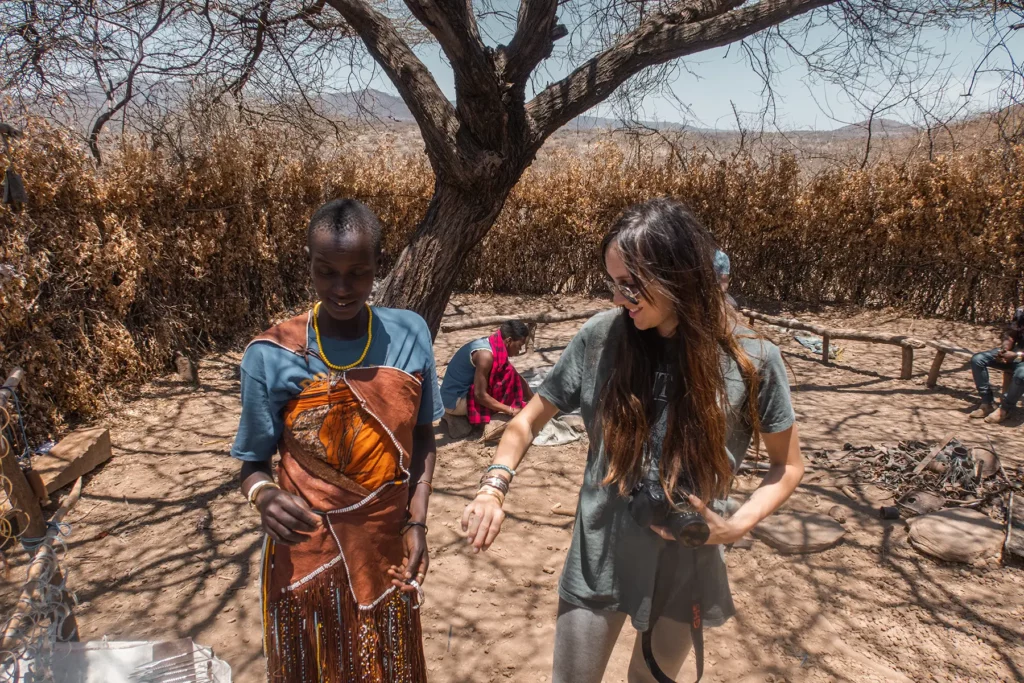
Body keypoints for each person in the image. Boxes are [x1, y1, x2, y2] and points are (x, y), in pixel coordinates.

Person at [461, 198, 804, 683]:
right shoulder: (600, 337)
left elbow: (787, 467)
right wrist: (493, 487)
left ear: (679, 275)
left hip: (688, 561)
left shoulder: (753, 360)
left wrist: (738, 525)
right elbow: (524, 423)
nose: (620, 300)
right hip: (600, 556)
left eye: (632, 285)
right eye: (613, 284)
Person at [230, 199, 442, 683]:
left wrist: (419, 521)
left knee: (389, 668)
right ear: (308, 265)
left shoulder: (410, 333)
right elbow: (251, 462)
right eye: (327, 272)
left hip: (385, 550)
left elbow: (425, 436)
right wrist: (262, 495)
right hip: (304, 557)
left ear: (377, 269)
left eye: (358, 273)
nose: (342, 288)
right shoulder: (271, 353)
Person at [439, 320, 534, 428]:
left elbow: (514, 374)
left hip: (455, 394)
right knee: (504, 386)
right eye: (519, 346)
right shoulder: (485, 356)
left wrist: (533, 398)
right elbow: (480, 395)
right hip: (454, 401)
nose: (519, 350)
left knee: (509, 375)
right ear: (509, 341)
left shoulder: (494, 344)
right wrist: (510, 410)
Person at [969, 306, 1024, 424]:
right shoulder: (1021, 311)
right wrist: (1004, 350)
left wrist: (1016, 355)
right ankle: (987, 402)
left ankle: (1005, 409)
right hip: (1015, 354)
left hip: (1018, 356)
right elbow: (1011, 334)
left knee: (1021, 374)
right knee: (978, 359)